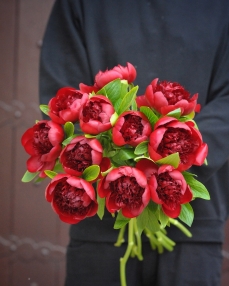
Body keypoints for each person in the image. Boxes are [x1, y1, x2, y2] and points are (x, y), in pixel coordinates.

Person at [39, 0, 229, 285]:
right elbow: (62, 99)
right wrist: (130, 170)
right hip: (100, 229)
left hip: (193, 231)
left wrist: (172, 166)